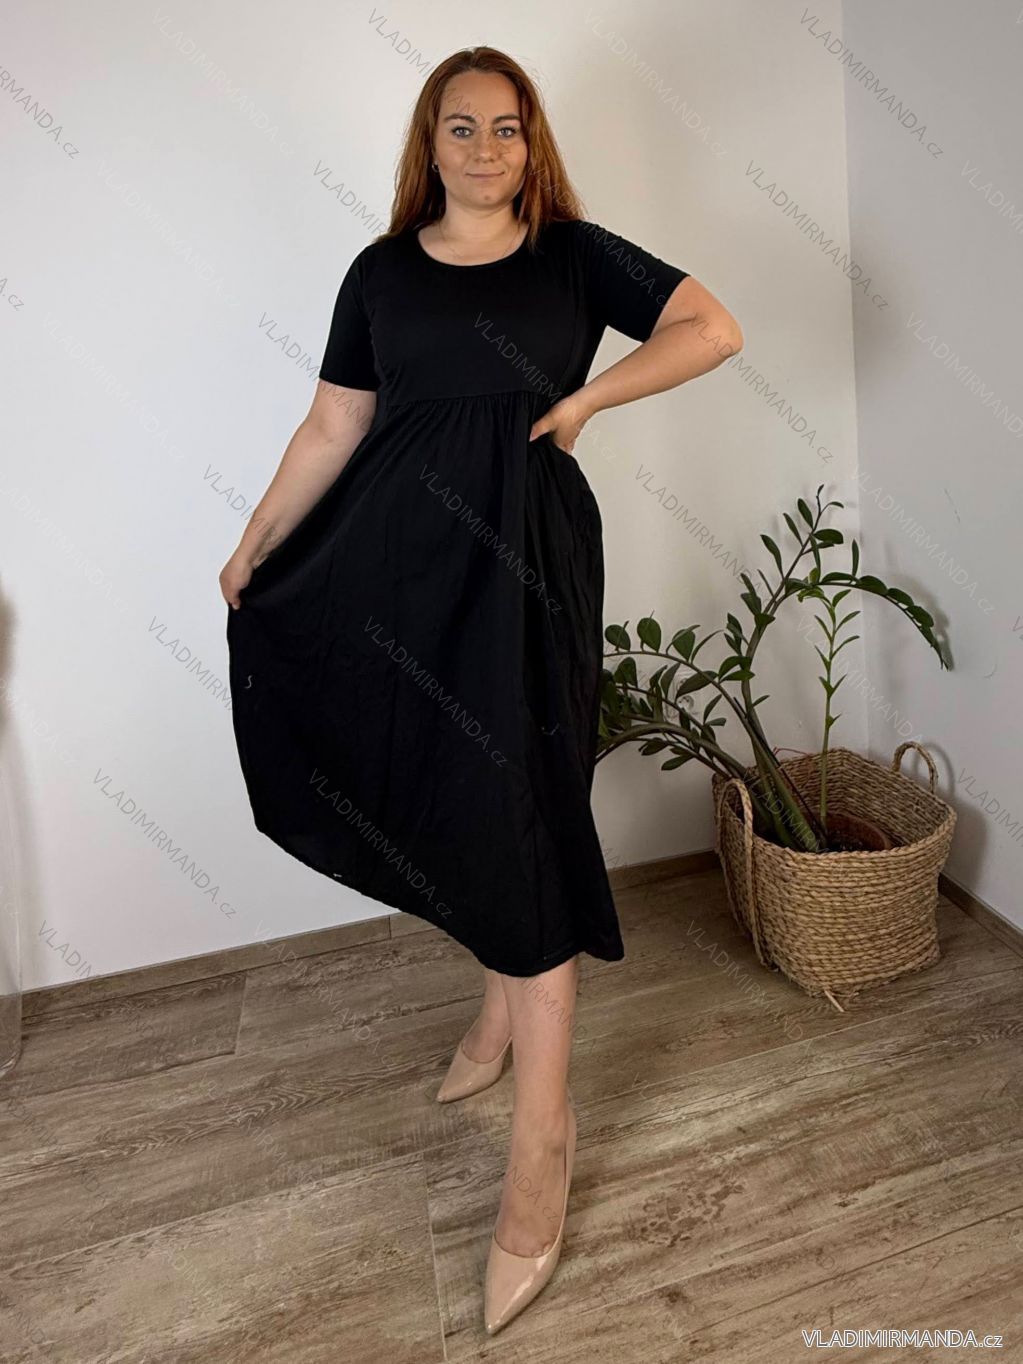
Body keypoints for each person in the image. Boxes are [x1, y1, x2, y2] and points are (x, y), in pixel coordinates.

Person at [220, 45, 742, 1336]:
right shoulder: (380, 274)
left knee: (524, 820)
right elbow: (335, 426)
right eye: (462, 127)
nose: (486, 148)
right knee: (447, 794)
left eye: (508, 128)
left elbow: (712, 328)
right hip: (397, 567)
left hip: (526, 571)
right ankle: (498, 1018)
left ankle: (541, 1147)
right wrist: (255, 544)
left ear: (531, 140)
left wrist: (586, 400)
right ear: (430, 142)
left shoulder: (574, 256)